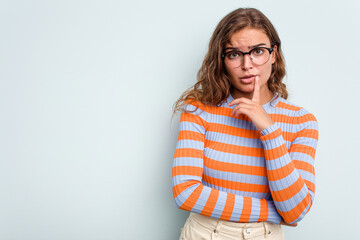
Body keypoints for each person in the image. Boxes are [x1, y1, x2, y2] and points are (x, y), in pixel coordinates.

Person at [171, 7, 319, 240]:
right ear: (222, 60)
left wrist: (269, 130)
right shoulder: (199, 110)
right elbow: (186, 193)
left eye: (258, 51)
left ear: (273, 54)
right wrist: (273, 212)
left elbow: (296, 210)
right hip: (205, 234)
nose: (247, 64)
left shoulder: (301, 122)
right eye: (234, 54)